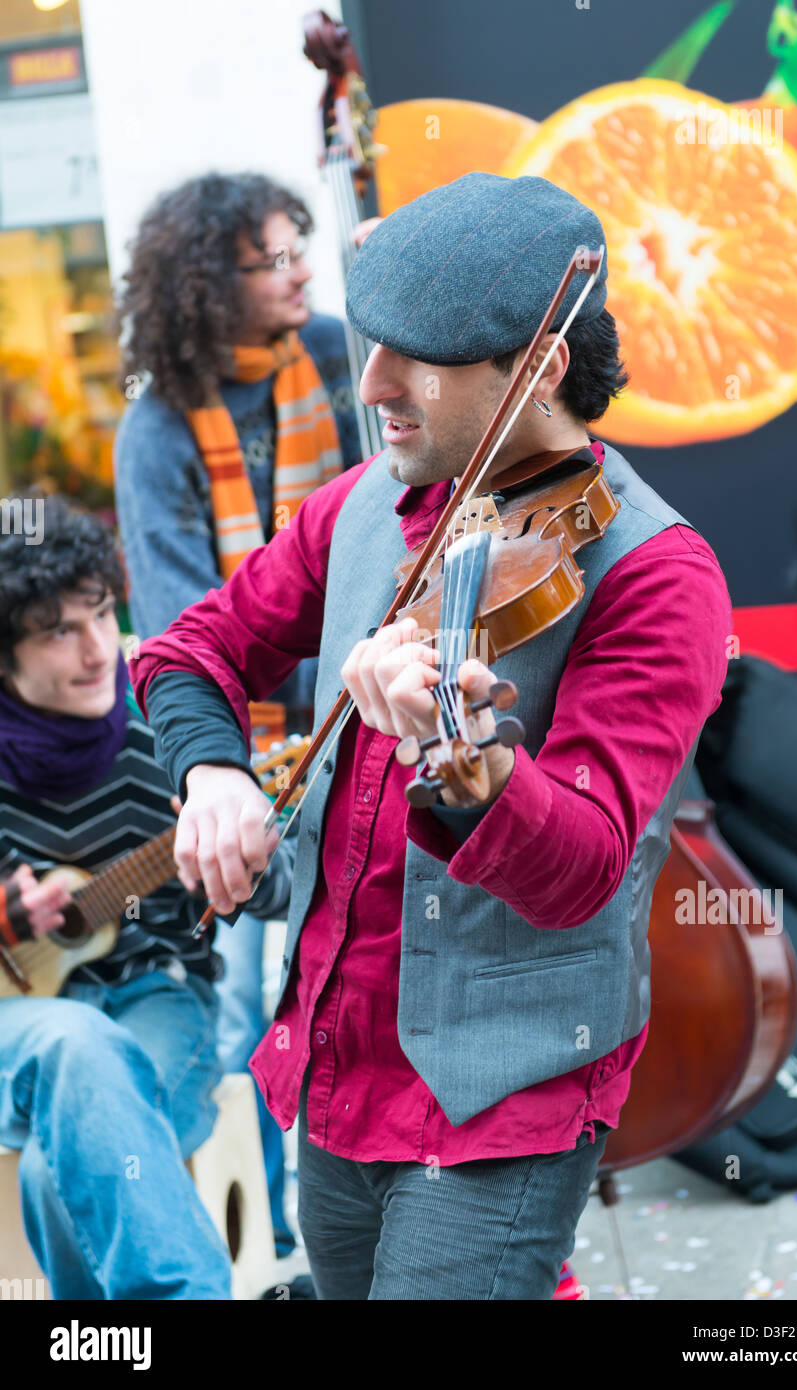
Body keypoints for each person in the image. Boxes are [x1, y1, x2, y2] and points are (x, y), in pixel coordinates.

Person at [129, 172, 733, 1301]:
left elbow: (586, 867)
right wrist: (209, 772)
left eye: (423, 357)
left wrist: (466, 765)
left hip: (507, 1092)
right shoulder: (362, 505)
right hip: (334, 1063)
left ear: (537, 372)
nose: (372, 383)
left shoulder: (657, 574)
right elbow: (189, 649)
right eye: (374, 341)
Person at [113, 171, 361, 1256]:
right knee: (241, 1007)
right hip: (238, 751)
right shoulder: (158, 426)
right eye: (275, 257)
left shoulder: (349, 355)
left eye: (300, 245)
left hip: (364, 715)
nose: (303, 267)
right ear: (213, 283)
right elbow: (178, 620)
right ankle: (268, 1242)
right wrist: (224, 769)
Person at [0, 496, 292, 1299]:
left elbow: (288, 891)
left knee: (57, 1175)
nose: (99, 650)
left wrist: (237, 859)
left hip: (157, 996)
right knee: (68, 1040)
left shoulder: (169, 730)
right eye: (58, 630)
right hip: (20, 1015)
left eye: (101, 614)